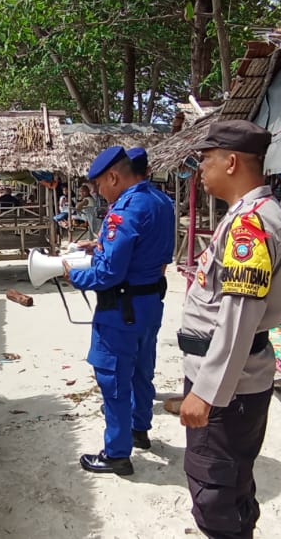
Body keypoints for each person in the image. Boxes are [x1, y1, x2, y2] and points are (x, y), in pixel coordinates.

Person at [176, 120, 281, 539]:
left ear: (231, 162)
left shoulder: (251, 226)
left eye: (206, 161)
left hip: (229, 386)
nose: (202, 171)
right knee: (232, 486)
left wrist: (206, 391)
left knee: (216, 497)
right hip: (233, 378)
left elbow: (238, 318)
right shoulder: (247, 216)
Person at [63, 145, 175, 476]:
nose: (97, 191)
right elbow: (149, 250)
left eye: (99, 184)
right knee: (142, 370)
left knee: (113, 379)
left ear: (114, 176)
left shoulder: (123, 211)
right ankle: (140, 429)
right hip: (150, 304)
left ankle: (116, 453)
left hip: (121, 309)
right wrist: (99, 246)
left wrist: (73, 274)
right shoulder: (161, 202)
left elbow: (108, 273)